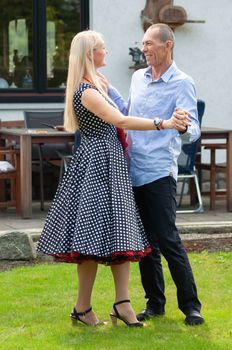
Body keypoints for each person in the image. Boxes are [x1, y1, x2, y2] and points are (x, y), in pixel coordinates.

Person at [37, 29, 190, 327]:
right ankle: (83, 308)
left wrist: (169, 115)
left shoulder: (100, 83)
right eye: (102, 47)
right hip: (98, 165)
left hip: (111, 163)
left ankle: (121, 304)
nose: (107, 51)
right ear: (90, 53)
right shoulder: (87, 91)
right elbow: (120, 119)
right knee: (93, 239)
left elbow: (127, 109)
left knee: (122, 235)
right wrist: (164, 123)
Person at [107, 23, 204, 326]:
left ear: (167, 45)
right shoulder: (137, 78)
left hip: (160, 171)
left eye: (150, 43)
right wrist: (104, 89)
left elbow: (194, 130)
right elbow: (128, 113)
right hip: (133, 170)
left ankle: (191, 306)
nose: (144, 48)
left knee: (167, 238)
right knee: (145, 244)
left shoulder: (183, 83)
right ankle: (155, 305)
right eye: (144, 43)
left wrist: (183, 125)